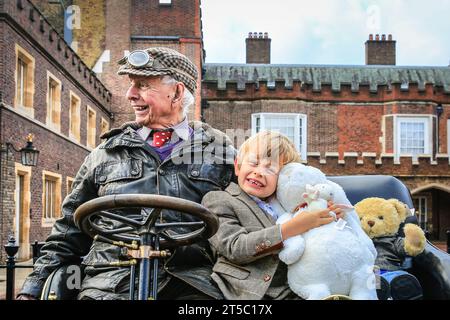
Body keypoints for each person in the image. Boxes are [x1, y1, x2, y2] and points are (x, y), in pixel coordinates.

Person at [18, 47, 235, 300]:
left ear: (176, 93)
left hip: (191, 285)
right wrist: (32, 289)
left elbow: (257, 211)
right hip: (109, 285)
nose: (130, 95)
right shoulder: (104, 154)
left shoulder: (220, 154)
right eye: (131, 85)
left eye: (142, 85)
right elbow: (68, 231)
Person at [201, 131, 344, 299]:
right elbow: (235, 247)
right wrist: (294, 227)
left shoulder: (290, 207)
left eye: (271, 169)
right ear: (238, 166)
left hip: (295, 290)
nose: (259, 172)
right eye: (253, 163)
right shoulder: (218, 199)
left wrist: (328, 219)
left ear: (283, 179)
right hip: (247, 291)